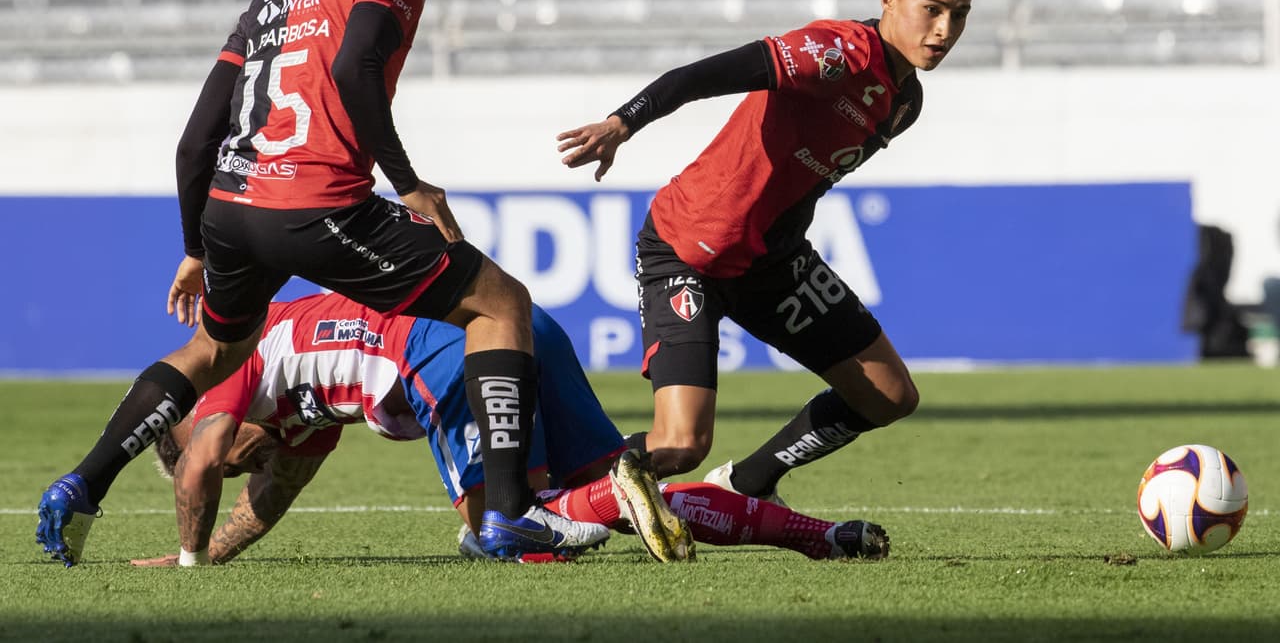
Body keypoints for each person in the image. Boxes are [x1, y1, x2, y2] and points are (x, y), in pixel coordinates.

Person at [37, 0, 605, 566]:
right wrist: (408, 183)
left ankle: (83, 483)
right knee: (501, 305)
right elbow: (354, 66)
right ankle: (510, 514)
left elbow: (195, 140)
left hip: (232, 207)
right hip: (318, 201)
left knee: (212, 351)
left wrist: (195, 248)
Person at [557, 0, 987, 506]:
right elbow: (701, 76)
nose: (944, 31)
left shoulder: (904, 102)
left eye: (959, 15)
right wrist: (621, 122)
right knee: (680, 445)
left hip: (772, 263)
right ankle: (547, 497)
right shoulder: (834, 53)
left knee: (889, 394)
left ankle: (748, 482)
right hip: (690, 250)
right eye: (931, 9)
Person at [131, 293, 885, 566]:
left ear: (203, 417)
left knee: (502, 532)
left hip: (448, 349)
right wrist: (207, 553)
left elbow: (200, 463)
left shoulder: (228, 359)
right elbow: (269, 499)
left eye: (226, 455)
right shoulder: (296, 416)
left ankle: (611, 489)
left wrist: (189, 560)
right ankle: (820, 536)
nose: (238, 461)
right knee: (602, 503)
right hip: (519, 323)